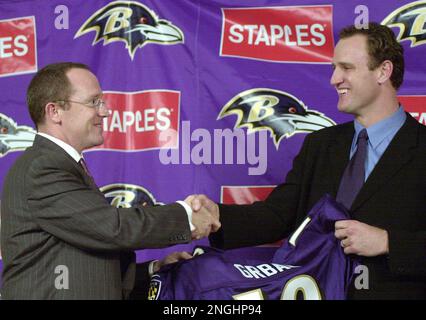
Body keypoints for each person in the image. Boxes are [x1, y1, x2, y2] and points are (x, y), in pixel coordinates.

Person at [192, 23, 426, 299]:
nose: (334, 79)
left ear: (383, 71)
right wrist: (217, 217)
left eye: (347, 68)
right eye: (334, 68)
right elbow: (278, 215)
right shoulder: (320, 145)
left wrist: (388, 242)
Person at [0, 62, 220, 299]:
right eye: (93, 102)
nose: (104, 111)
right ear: (54, 112)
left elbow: (84, 260)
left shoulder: (61, 164)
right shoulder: (43, 167)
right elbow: (112, 228)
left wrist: (153, 270)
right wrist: (186, 217)